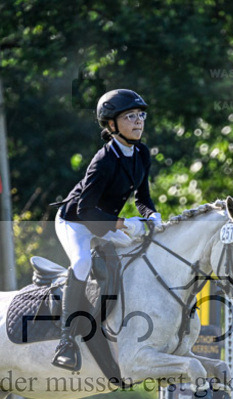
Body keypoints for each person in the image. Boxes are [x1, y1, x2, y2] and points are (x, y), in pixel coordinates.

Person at [52, 88, 162, 371]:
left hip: (102, 221)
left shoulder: (141, 153)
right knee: (81, 261)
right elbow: (86, 211)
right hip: (75, 221)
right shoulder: (104, 160)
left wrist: (152, 215)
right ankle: (66, 341)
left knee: (138, 253)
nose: (139, 121)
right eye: (130, 116)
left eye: (141, 115)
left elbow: (142, 198)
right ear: (111, 125)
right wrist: (125, 223)